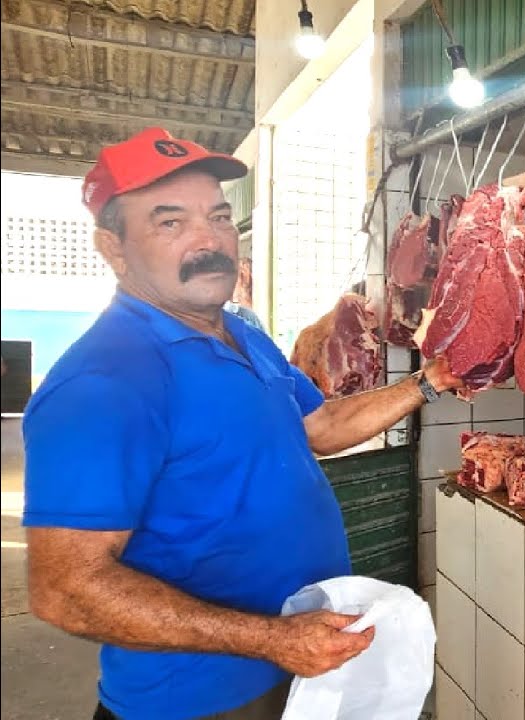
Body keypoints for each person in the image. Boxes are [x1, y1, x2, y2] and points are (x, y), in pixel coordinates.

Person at [20, 127, 460, 720]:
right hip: (194, 701)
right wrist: (273, 639)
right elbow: (65, 590)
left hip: (298, 674)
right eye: (170, 223)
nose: (209, 240)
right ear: (113, 247)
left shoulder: (244, 334)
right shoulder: (103, 383)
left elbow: (320, 427)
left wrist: (430, 380)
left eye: (220, 216)